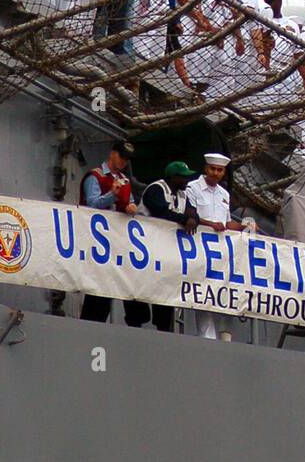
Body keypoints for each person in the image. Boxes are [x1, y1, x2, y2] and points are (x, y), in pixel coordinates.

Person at [78, 139, 148, 327]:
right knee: (99, 294)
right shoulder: (96, 176)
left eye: (127, 160)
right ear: (112, 153)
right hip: (97, 243)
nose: (124, 162)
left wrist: (131, 207)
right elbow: (91, 204)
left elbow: (128, 203)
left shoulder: (124, 181)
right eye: (122, 157)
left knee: (120, 288)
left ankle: (135, 322)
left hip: (116, 244)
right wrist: (112, 194)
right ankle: (91, 327)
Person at [183, 154, 243, 340]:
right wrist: (210, 224)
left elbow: (226, 223)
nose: (216, 173)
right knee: (202, 294)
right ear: (206, 169)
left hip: (220, 253)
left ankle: (224, 337)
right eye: (213, 169)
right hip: (197, 249)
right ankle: (206, 338)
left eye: (220, 170)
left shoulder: (224, 195)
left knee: (223, 293)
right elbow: (190, 216)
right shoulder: (192, 188)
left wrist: (244, 226)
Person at [140, 160, 195, 331]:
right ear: (173, 177)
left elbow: (192, 212)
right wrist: (185, 219)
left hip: (165, 254)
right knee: (138, 289)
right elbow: (161, 212)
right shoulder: (156, 189)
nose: (187, 181)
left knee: (164, 292)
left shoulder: (182, 194)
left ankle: (163, 328)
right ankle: (135, 327)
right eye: (183, 177)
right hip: (144, 251)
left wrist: (193, 218)